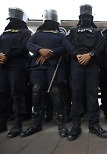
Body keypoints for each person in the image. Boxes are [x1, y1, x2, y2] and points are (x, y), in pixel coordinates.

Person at [20, 9, 69, 138]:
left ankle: (61, 124)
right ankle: (36, 123)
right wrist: (40, 50)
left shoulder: (61, 35)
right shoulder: (38, 33)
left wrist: (50, 52)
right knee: (36, 91)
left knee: (56, 92)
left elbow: (66, 47)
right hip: (38, 67)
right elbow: (29, 44)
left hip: (55, 67)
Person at [66, 4, 107, 141]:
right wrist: (77, 55)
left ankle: (94, 125)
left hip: (92, 65)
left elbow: (101, 45)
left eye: (88, 16)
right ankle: (76, 125)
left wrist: (90, 54)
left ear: (92, 18)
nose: (86, 18)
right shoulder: (72, 31)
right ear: (79, 17)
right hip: (76, 64)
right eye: (83, 17)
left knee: (92, 96)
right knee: (76, 95)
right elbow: (67, 43)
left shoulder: (97, 32)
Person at [0, 7, 32, 138]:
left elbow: (22, 47)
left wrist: (7, 55)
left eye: (14, 19)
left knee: (17, 93)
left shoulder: (26, 32)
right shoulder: (4, 33)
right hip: (3, 66)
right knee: (2, 93)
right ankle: (2, 122)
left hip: (17, 66)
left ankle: (17, 123)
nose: (12, 21)